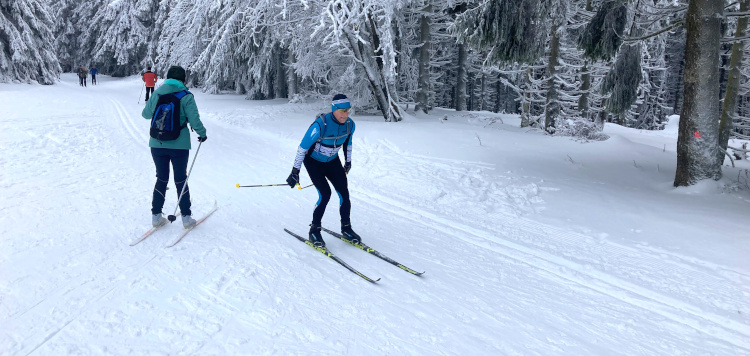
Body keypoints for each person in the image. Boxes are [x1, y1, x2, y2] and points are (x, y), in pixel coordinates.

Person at [286, 94, 360, 248]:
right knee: (325, 194)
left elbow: (348, 143)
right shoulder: (321, 125)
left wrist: (348, 161)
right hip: (313, 162)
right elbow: (302, 148)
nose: (345, 114)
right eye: (342, 111)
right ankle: (314, 230)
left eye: (348, 110)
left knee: (344, 193)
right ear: (334, 109)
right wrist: (295, 171)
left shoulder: (350, 125)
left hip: (332, 161)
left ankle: (346, 228)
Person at [141, 66, 207, 229]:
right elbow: (194, 119)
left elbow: (146, 114)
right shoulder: (186, 95)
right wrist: (202, 133)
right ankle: (186, 218)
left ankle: (156, 216)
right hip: (179, 144)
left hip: (157, 143)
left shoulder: (157, 93)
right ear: (183, 79)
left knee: (161, 178)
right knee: (180, 179)